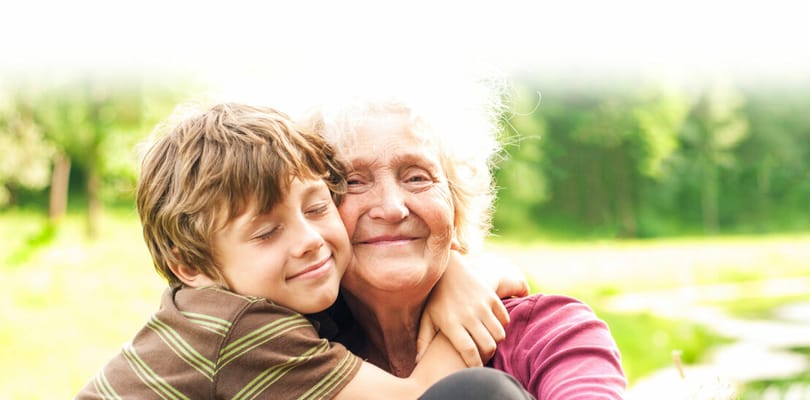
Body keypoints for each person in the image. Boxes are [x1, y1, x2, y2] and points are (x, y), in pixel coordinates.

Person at [75, 103, 533, 399]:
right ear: (189, 264)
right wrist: (481, 275)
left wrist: (451, 265)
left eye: (317, 207)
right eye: (266, 233)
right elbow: (423, 395)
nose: (310, 239)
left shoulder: (218, 308)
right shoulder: (243, 330)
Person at [306, 79, 628, 399]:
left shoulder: (549, 333)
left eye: (417, 177)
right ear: (311, 214)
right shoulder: (296, 352)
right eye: (354, 182)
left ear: (457, 206)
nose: (392, 208)